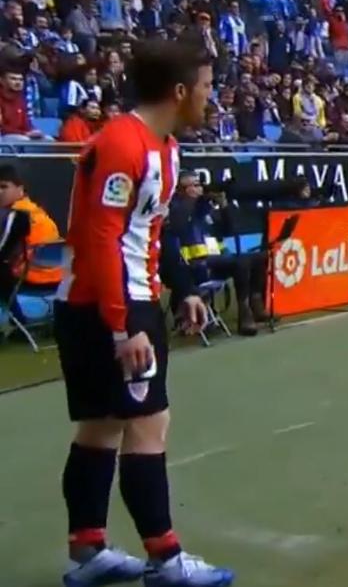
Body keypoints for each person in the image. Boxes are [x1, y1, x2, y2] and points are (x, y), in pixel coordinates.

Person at [53, 40, 234, 587]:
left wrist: (184, 289)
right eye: (206, 87)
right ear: (179, 91)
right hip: (111, 304)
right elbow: (102, 239)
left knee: (101, 427)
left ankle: (89, 550)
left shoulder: (166, 148)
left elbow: (155, 229)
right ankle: (167, 559)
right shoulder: (121, 144)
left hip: (110, 301)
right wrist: (123, 326)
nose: (211, 98)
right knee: (149, 425)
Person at [161, 169, 269, 335]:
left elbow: (228, 229)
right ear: (180, 189)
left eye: (200, 185)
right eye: (194, 185)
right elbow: (179, 223)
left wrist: (223, 206)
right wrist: (194, 201)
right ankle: (244, 313)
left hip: (215, 262)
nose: (200, 189)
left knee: (259, 257)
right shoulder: (176, 209)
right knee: (241, 262)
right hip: (193, 266)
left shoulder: (205, 209)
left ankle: (254, 304)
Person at [0, 163, 62, 302]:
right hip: (56, 279)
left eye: (4, 187)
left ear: (20, 189)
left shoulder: (15, 215)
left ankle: (9, 312)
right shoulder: (38, 211)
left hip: (29, 278)